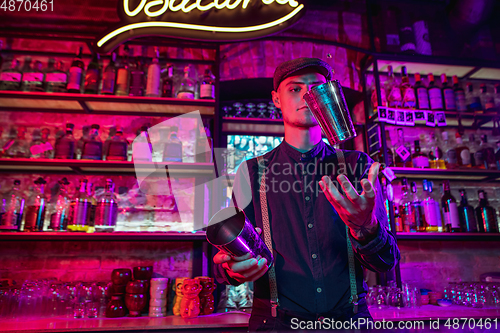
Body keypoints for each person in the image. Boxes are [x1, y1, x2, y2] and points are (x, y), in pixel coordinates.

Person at [213, 58, 400, 332]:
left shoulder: (357, 165)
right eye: (294, 89)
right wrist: (232, 269)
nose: (307, 96)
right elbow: (230, 258)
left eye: (316, 88)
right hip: (276, 325)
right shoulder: (250, 172)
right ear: (276, 99)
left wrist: (367, 228)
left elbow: (386, 262)